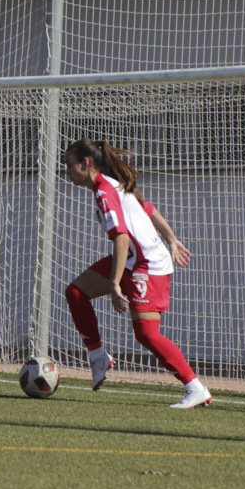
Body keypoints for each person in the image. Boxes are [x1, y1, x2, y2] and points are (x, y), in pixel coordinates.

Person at [62, 138, 212, 409]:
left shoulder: (105, 191)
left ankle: (195, 387)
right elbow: (147, 208)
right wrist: (172, 239)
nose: (67, 170)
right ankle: (98, 358)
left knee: (146, 333)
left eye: (69, 164)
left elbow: (121, 237)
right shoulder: (109, 184)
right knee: (75, 293)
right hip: (133, 260)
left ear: (86, 163)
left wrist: (115, 284)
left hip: (146, 264)